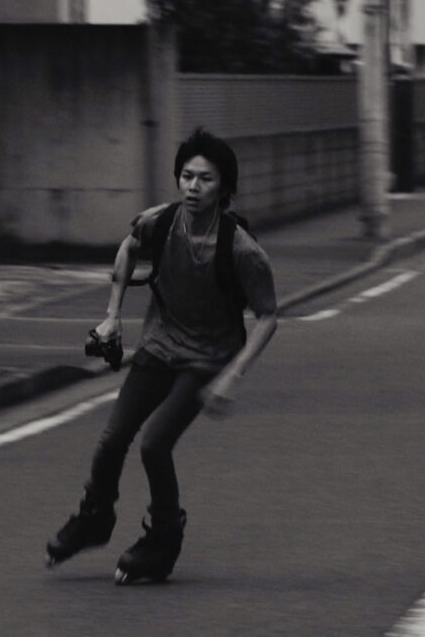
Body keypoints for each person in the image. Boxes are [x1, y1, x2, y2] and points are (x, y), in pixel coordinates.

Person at [45, 127, 279, 584]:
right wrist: (112, 317)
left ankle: (164, 539)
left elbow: (269, 316)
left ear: (224, 188)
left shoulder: (242, 250)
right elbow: (129, 247)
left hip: (207, 358)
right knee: (112, 439)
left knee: (154, 445)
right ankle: (95, 517)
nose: (193, 187)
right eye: (187, 176)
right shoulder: (161, 222)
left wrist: (233, 375)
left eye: (205, 179)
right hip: (159, 345)